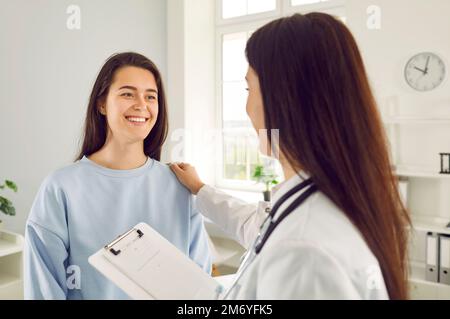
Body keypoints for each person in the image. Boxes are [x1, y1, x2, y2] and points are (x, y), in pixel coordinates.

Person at [171, 13, 410, 300]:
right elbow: (258, 224)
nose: (246, 107)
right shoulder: (328, 199)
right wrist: (200, 189)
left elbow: (283, 238)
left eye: (249, 88)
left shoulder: (303, 251)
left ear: (282, 99)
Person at [24, 52, 211, 299]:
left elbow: (198, 286)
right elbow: (44, 288)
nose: (141, 105)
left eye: (150, 97)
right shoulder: (61, 187)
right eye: (127, 93)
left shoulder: (179, 187)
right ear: (102, 104)